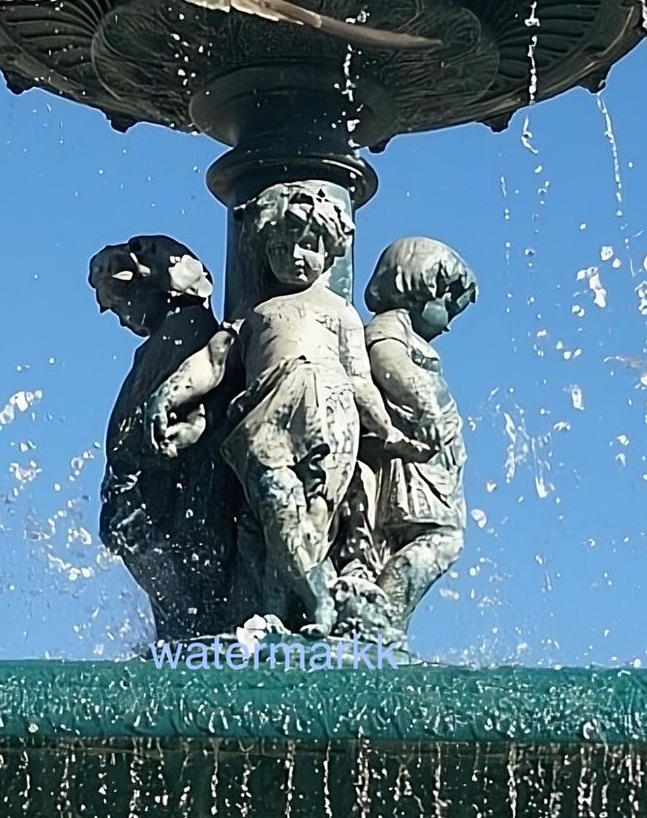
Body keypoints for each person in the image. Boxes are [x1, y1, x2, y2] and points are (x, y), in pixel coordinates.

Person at [146, 184, 428, 634]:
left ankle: (287, 614)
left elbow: (359, 381)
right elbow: (214, 360)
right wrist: (170, 393)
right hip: (264, 416)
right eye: (281, 246)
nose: (296, 255)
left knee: (317, 513)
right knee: (276, 503)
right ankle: (319, 597)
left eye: (310, 245)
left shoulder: (341, 313)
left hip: (330, 410)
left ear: (332, 249)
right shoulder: (257, 313)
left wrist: (388, 432)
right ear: (263, 247)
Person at [90, 236, 239, 639]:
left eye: (119, 300)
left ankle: (188, 632)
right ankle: (181, 631)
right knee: (160, 570)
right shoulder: (162, 338)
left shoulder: (187, 327)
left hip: (168, 483)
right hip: (143, 483)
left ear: (152, 286)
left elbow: (205, 394)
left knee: (182, 579)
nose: (114, 313)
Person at [349, 237, 475, 633]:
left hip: (428, 460)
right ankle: (381, 617)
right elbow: (386, 361)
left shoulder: (407, 331)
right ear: (416, 285)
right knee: (442, 538)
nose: (450, 323)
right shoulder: (390, 326)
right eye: (447, 304)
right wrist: (425, 404)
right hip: (412, 463)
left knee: (400, 544)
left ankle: (379, 614)